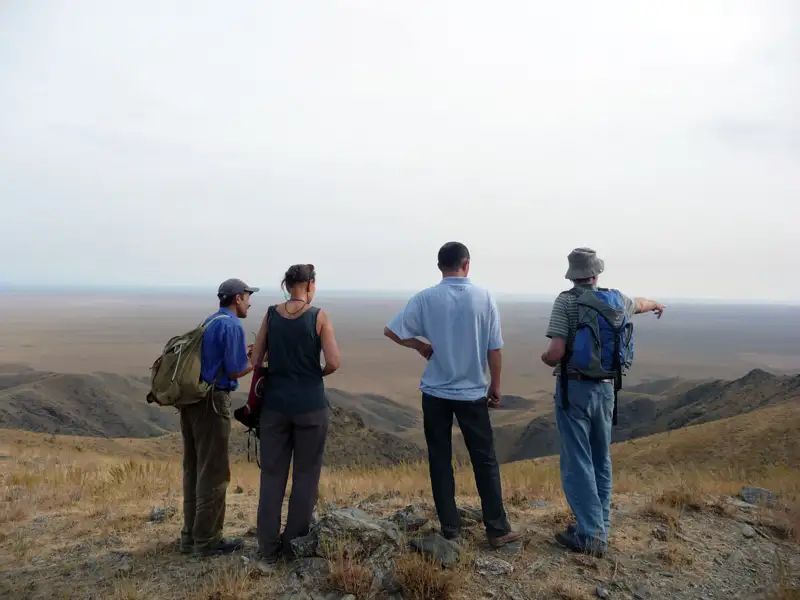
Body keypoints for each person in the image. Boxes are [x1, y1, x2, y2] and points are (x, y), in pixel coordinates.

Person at [384, 242, 521, 549]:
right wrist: (495, 385)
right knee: (484, 460)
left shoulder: (426, 298)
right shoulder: (483, 297)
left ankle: (451, 529)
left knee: (440, 459)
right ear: (466, 264)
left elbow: (391, 331)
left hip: (435, 392)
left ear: (440, 266)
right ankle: (497, 529)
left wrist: (420, 346)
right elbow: (494, 347)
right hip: (472, 391)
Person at [541, 247, 664, 556]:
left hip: (575, 390)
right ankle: (598, 526)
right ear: (596, 273)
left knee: (577, 461)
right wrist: (657, 304)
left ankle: (591, 535)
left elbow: (556, 352)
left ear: (573, 275)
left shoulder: (566, 301)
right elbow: (641, 304)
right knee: (601, 459)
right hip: (607, 390)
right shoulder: (618, 300)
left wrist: (546, 358)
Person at [249, 264, 341, 567]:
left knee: (272, 476)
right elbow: (334, 362)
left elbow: (256, 358)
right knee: (305, 476)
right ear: (310, 284)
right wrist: (314, 371)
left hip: (274, 407)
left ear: (287, 285)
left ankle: (267, 547)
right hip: (310, 406)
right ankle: (293, 545)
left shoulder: (271, 315)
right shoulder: (319, 317)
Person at [181, 278, 258, 556]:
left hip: (193, 401)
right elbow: (236, 370)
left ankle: (190, 537)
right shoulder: (232, 325)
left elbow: (220, 360)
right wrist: (257, 361)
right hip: (213, 402)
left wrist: (242, 358)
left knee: (194, 468)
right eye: (248, 296)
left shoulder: (211, 321)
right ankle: (208, 540)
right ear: (237, 298)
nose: (250, 302)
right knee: (214, 472)